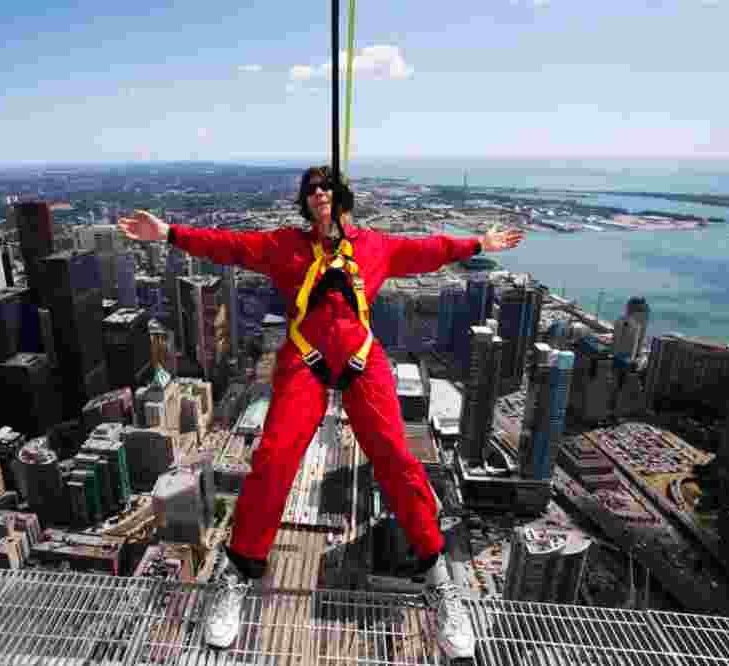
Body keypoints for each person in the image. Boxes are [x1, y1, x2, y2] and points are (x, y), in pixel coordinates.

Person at [119, 166, 524, 659]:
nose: (318, 194)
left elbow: (429, 252)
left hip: (361, 358)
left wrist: (477, 244)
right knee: (274, 458)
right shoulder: (283, 246)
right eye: (311, 189)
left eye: (326, 187)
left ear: (342, 197)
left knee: (397, 459)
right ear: (304, 202)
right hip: (305, 357)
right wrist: (169, 233)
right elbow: (228, 244)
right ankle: (239, 571)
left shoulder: (374, 246)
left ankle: (440, 582)